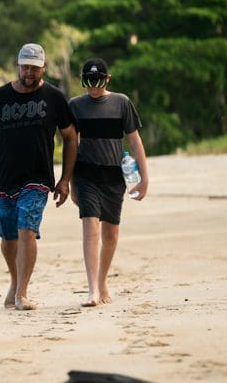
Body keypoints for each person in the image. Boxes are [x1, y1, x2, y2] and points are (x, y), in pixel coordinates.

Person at [0, 43, 77, 311]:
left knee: (27, 227)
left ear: (43, 67)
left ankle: (22, 292)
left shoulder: (54, 97)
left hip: (38, 178)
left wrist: (65, 179)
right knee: (8, 235)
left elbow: (70, 137)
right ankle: (15, 282)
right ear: (18, 66)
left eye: (34, 68)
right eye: (25, 67)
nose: (29, 73)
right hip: (3, 179)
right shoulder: (0, 97)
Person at [68, 57, 149, 307]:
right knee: (90, 228)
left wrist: (144, 178)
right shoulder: (75, 105)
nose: (93, 87)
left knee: (110, 234)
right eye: (89, 82)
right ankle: (92, 289)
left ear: (107, 79)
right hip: (86, 174)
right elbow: (71, 145)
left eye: (98, 81)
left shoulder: (122, 103)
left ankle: (102, 280)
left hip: (114, 175)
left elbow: (135, 141)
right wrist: (70, 183)